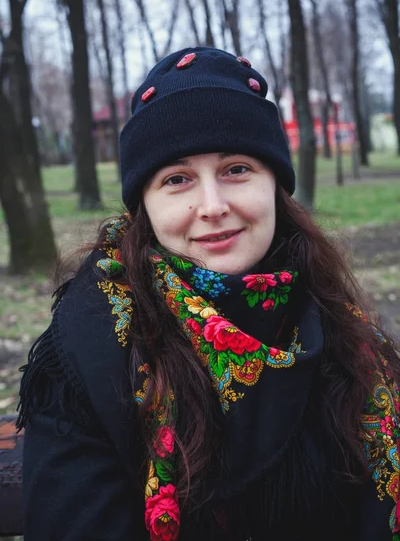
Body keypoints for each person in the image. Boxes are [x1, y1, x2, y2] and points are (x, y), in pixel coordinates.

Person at [18, 47, 400, 541]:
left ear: (275, 187)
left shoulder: (350, 337)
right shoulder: (90, 347)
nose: (213, 206)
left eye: (236, 169)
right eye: (177, 179)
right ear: (145, 207)